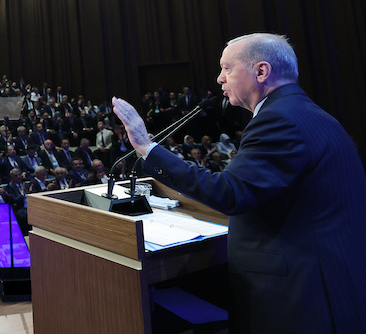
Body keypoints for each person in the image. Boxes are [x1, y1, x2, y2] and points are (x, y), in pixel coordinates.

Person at [112, 33, 366, 333]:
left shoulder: (279, 120)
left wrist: (146, 147)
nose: (219, 79)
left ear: (261, 71)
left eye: (226, 68)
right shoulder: (309, 114)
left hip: (300, 293)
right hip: (330, 278)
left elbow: (231, 193)